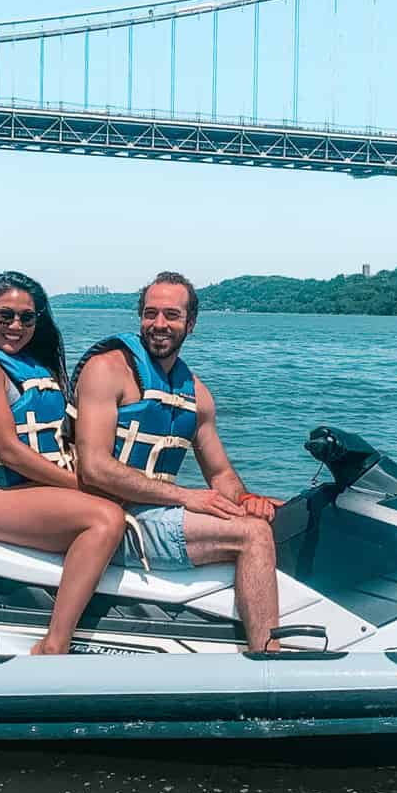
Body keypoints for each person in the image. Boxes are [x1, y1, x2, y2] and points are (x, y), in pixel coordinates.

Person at [69, 271, 285, 651]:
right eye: (150, 313)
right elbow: (94, 467)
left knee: (276, 520)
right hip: (111, 521)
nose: (159, 324)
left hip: (154, 513)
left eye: (172, 315)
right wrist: (186, 497)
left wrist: (247, 499)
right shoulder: (107, 370)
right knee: (252, 535)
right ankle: (268, 658)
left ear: (191, 323)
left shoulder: (196, 394)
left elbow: (220, 473)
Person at [0, 271, 126, 655]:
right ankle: (55, 643)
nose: (16, 325)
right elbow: (8, 451)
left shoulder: (36, 365)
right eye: (5, 315)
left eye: (27, 318)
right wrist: (84, 485)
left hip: (38, 490)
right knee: (105, 518)